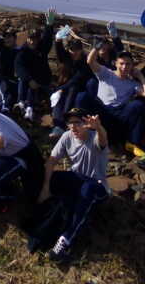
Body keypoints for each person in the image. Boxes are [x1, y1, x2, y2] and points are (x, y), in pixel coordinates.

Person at [38, 108, 110, 262]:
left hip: (97, 185)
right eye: (70, 123)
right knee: (51, 177)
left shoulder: (95, 137)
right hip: (77, 180)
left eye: (77, 123)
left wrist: (98, 127)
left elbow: (103, 140)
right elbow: (51, 162)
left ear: (86, 124)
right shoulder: (67, 136)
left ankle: (66, 240)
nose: (73, 127)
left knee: (88, 189)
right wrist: (45, 188)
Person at [76, 42, 145, 158]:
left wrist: (140, 76)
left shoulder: (132, 83)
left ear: (132, 66)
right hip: (102, 111)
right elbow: (90, 61)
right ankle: (80, 130)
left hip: (119, 115)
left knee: (138, 105)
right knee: (82, 96)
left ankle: (132, 143)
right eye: (121, 63)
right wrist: (96, 47)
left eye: (128, 64)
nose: (124, 67)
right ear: (115, 63)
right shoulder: (106, 73)